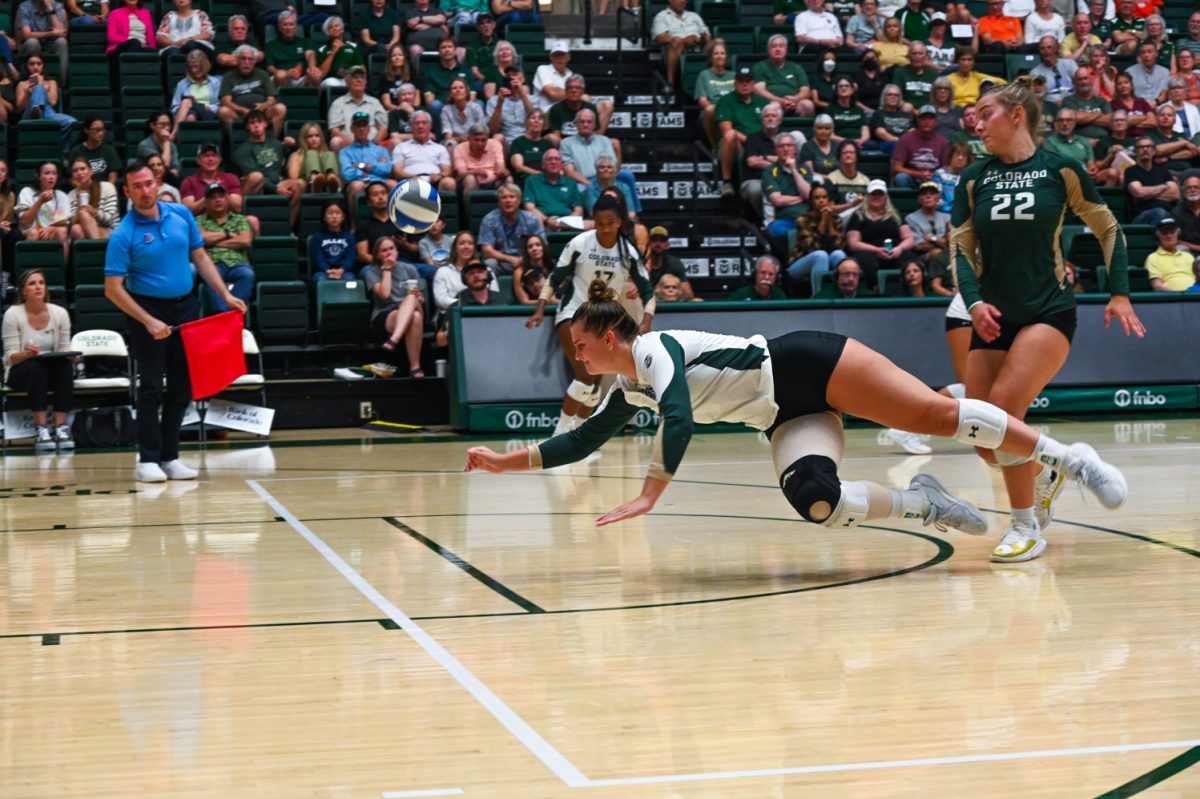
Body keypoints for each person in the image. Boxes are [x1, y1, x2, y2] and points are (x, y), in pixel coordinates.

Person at [465, 279, 1131, 544]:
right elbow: (580, 441)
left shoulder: (656, 350)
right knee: (816, 499)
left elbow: (682, 417)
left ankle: (1067, 458)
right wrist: (505, 461)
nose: (577, 357)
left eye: (581, 345)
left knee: (933, 414)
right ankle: (925, 502)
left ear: (609, 335)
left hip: (808, 364)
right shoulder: (625, 387)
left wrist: (648, 494)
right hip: (784, 416)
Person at [949, 77, 1144, 562]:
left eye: (986, 112)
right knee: (982, 438)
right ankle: (1049, 473)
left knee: (1002, 415)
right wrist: (973, 303)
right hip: (991, 315)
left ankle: (1025, 526)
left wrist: (1119, 291)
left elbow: (1108, 226)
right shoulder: (974, 177)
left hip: (1048, 311)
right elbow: (960, 248)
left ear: (1018, 115)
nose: (977, 121)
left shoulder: (1061, 169)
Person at [105, 162, 247, 482]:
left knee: (183, 386)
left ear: (156, 182)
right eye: (136, 187)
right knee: (152, 386)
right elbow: (112, 289)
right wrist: (148, 321)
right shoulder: (123, 234)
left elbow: (199, 256)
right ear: (127, 191)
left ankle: (170, 457)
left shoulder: (182, 215)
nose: (144, 191)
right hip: (147, 311)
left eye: (147, 183)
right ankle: (147, 460)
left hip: (187, 309)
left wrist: (224, 294)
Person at [525, 194, 652, 435]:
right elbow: (555, 277)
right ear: (593, 221)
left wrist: (647, 320)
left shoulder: (628, 251)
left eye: (610, 223)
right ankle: (560, 435)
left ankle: (580, 436)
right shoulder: (579, 243)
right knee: (584, 376)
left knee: (593, 382)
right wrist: (540, 308)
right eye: (600, 223)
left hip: (602, 321)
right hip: (572, 313)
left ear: (619, 222)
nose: (604, 228)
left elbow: (648, 290)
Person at [2, 269, 73, 449]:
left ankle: (60, 427)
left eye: (41, 283)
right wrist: (27, 354)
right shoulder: (12, 314)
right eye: (32, 284)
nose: (38, 287)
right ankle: (41, 429)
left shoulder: (60, 313)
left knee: (65, 366)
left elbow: (64, 349)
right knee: (36, 367)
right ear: (23, 291)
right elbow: (10, 357)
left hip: (51, 371)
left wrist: (72, 356)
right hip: (20, 372)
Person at [363, 236, 426, 375]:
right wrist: (386, 270)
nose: (389, 253)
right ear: (378, 255)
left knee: (412, 297)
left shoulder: (409, 268)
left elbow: (421, 299)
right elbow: (385, 295)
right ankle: (415, 367)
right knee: (415, 317)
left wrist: (418, 296)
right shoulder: (372, 272)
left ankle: (393, 340)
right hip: (386, 313)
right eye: (384, 250)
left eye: (391, 248)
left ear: (397, 251)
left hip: (411, 306)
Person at [234, 108, 304, 223]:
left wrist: (293, 145)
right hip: (257, 187)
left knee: (300, 184)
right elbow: (252, 176)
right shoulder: (241, 151)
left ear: (265, 124)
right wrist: (276, 189)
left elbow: (292, 156)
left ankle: (287, 227)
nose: (256, 126)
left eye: (259, 122)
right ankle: (245, 223)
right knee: (256, 176)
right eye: (252, 123)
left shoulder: (276, 144)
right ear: (247, 127)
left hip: (278, 182)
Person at [845, 179, 917, 288]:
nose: (876, 197)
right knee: (865, 260)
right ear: (867, 197)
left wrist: (899, 249)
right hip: (869, 252)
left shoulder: (895, 215)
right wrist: (876, 250)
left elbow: (909, 239)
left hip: (895, 251)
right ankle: (875, 289)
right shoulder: (858, 216)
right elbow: (853, 243)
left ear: (885, 197)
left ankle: (903, 290)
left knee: (910, 259)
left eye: (880, 194)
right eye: (873, 194)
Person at [195, 183, 253, 313]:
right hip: (213, 264)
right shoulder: (199, 220)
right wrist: (227, 234)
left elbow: (245, 241)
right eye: (213, 197)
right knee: (211, 274)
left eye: (221, 196)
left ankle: (226, 313)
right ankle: (229, 314)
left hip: (238, 263)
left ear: (227, 199)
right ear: (206, 202)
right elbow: (200, 239)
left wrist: (213, 242)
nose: (218, 200)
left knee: (247, 274)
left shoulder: (239, 219)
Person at [716, 66, 770, 199]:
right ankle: (727, 182)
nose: (745, 84)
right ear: (735, 83)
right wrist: (751, 143)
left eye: (748, 80)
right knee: (729, 135)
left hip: (762, 144)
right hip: (739, 144)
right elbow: (726, 129)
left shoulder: (763, 102)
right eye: (741, 81)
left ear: (753, 83)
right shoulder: (726, 101)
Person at [219, 45, 288, 138]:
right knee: (223, 111)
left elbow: (272, 99)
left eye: (250, 59)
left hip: (262, 114)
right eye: (243, 59)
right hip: (239, 115)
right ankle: (236, 143)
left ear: (255, 61)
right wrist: (242, 110)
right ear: (237, 60)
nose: (247, 62)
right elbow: (225, 102)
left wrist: (264, 106)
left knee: (280, 108)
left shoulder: (262, 74)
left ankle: (271, 142)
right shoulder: (228, 76)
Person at [478, 181, 545, 275]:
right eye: (504, 197)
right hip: (500, 261)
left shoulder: (531, 219)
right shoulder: (489, 219)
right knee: (489, 264)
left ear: (519, 201)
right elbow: (487, 250)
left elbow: (543, 244)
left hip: (526, 259)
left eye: (512, 197)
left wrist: (523, 259)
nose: (508, 200)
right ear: (499, 201)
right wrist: (510, 259)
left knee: (540, 260)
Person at [391, 110, 456, 195]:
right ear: (411, 126)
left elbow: (447, 171)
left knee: (449, 182)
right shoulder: (401, 147)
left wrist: (440, 176)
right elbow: (397, 171)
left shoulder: (440, 148)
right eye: (417, 123)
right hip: (410, 181)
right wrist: (413, 177)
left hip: (435, 181)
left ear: (430, 126)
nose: (420, 126)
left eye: (424, 123)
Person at [650, 0, 711, 89]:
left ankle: (718, 80)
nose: (683, 1)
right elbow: (659, 37)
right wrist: (684, 40)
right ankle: (670, 83)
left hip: (699, 49)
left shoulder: (694, 16)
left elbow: (706, 34)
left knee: (718, 42)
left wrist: (701, 38)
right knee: (677, 42)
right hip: (677, 52)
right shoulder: (662, 16)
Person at [327, 64, 388, 151]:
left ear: (366, 82)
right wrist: (354, 145)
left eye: (362, 77)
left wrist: (372, 145)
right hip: (348, 147)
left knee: (395, 142)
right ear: (347, 81)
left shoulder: (375, 102)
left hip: (373, 146)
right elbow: (334, 131)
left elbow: (383, 128)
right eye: (355, 77)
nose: (359, 80)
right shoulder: (338, 103)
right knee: (335, 141)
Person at [753, 34, 816, 117]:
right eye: (774, 46)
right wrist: (780, 101)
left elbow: (805, 90)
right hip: (771, 101)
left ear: (786, 49)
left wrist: (795, 99)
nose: (778, 49)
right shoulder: (760, 66)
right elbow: (759, 90)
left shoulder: (796, 68)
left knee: (807, 105)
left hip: (794, 102)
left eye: (781, 46)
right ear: (768, 50)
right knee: (774, 107)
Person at [16, 161, 70, 256]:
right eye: (47, 173)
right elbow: (24, 222)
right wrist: (40, 201)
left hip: (52, 231)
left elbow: (65, 222)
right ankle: (30, 269)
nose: (51, 177)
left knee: (62, 231)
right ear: (38, 176)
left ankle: (62, 270)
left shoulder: (62, 196)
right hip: (31, 231)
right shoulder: (27, 192)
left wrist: (51, 228)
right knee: (34, 233)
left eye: (54, 173)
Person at [432, 239, 500, 314]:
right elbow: (440, 300)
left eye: (480, 272)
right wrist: (468, 304)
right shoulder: (460, 299)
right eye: (471, 273)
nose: (476, 275)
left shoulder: (499, 299)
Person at [521, 147, 580, 230]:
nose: (553, 162)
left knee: (591, 224)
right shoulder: (532, 181)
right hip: (542, 221)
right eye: (549, 159)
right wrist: (547, 220)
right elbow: (529, 207)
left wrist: (566, 223)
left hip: (567, 222)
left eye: (557, 159)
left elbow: (578, 210)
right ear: (543, 164)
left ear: (562, 164)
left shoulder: (571, 183)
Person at [1124, 135, 1178, 225]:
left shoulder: (1163, 171)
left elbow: (1175, 194)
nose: (1145, 149)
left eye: (1148, 147)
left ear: (1154, 151)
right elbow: (1139, 193)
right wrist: (1164, 187)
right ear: (1136, 151)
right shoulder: (1131, 171)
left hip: (1167, 213)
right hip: (1141, 216)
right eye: (1141, 147)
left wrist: (1146, 195)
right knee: (1159, 212)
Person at [339, 112, 394, 198]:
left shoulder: (381, 150)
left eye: (364, 125)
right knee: (357, 186)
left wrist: (363, 166)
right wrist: (375, 168)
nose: (361, 129)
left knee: (393, 184)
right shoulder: (345, 151)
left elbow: (388, 169)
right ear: (352, 129)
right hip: (360, 182)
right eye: (358, 126)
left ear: (368, 128)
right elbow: (347, 174)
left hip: (379, 181)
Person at [891, 105, 948, 188]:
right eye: (923, 118)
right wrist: (919, 174)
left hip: (934, 179)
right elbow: (896, 167)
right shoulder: (905, 139)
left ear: (936, 122)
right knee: (901, 178)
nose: (927, 121)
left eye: (930, 118)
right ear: (918, 121)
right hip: (912, 178)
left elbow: (945, 168)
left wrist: (933, 176)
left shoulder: (942, 141)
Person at [180, 142, 244, 216]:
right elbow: (188, 211)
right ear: (198, 160)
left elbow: (237, 208)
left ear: (219, 160)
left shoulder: (231, 178)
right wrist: (210, 192)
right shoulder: (189, 182)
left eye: (214, 155)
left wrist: (221, 190)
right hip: (200, 222)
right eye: (206, 156)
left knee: (252, 220)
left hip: (228, 220)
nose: (210, 159)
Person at [67, 157, 118, 242]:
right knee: (76, 229)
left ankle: (95, 249)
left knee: (83, 213)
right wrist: (78, 211)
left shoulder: (107, 187)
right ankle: (92, 251)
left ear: (91, 171)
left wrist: (94, 212)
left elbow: (110, 221)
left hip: (111, 231)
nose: (79, 173)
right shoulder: (71, 194)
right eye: (75, 171)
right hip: (85, 231)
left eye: (82, 169)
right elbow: (70, 224)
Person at [265, 10, 320, 89]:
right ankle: (281, 101)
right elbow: (270, 68)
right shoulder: (271, 45)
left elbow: (310, 55)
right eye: (285, 24)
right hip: (281, 77)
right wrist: (286, 73)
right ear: (279, 27)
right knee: (281, 75)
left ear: (296, 26)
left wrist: (312, 68)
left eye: (291, 24)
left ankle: (312, 101)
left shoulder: (305, 42)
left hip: (301, 78)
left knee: (315, 75)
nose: (288, 28)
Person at [695, 40, 733, 147]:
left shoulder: (734, 75)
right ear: (711, 57)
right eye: (716, 54)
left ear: (726, 57)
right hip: (713, 110)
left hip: (732, 109)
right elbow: (702, 100)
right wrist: (719, 110)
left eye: (722, 53)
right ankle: (715, 147)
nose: (719, 56)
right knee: (709, 110)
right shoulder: (704, 75)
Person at [643, 225, 696, 300]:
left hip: (668, 305)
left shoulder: (674, 263)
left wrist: (674, 296)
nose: (658, 243)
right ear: (648, 244)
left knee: (696, 301)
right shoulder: (640, 264)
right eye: (654, 240)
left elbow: (689, 294)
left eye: (662, 240)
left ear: (667, 245)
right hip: (645, 305)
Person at [171, 50, 221, 128]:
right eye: (191, 67)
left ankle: (173, 135)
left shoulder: (215, 83)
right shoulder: (182, 84)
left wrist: (207, 107)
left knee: (187, 102)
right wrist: (184, 109)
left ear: (204, 66)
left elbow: (219, 105)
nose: (193, 70)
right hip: (188, 113)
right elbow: (174, 107)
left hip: (208, 114)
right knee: (190, 114)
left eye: (196, 66)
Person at [904, 180, 949, 267]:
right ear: (919, 199)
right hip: (923, 257)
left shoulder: (947, 217)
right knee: (937, 252)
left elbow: (951, 243)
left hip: (947, 253)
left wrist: (931, 239)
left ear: (938, 198)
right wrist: (942, 242)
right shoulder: (911, 218)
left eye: (932, 193)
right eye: (924, 194)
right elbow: (919, 246)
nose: (928, 196)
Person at [310, 200, 358, 281]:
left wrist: (341, 270)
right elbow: (319, 258)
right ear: (324, 217)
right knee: (320, 279)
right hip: (323, 271)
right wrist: (327, 270)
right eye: (330, 213)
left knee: (350, 279)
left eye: (337, 213)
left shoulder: (349, 237)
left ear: (343, 217)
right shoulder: (317, 237)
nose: (334, 216)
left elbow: (350, 257)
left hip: (344, 271)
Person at [287, 122, 340, 193]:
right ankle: (314, 179)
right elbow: (293, 177)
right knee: (311, 153)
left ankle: (331, 179)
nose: (314, 139)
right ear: (304, 139)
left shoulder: (328, 155)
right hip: (307, 186)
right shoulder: (296, 155)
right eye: (310, 136)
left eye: (317, 136)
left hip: (326, 185)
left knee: (329, 154)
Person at [1144, 217, 1194, 292]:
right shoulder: (1153, 258)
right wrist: (1180, 295)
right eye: (1165, 233)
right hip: (1171, 300)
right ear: (1158, 236)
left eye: (1172, 232)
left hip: (1195, 297)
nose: (1169, 236)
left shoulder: (1188, 256)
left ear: (1177, 234)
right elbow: (1157, 286)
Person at [18, 0, 69, 73]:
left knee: (62, 42)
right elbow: (27, 35)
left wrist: (51, 9)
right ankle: (32, 82)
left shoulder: (56, 5)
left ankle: (61, 83)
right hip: (33, 47)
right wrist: (51, 33)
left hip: (51, 45)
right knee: (32, 42)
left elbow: (62, 32)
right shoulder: (25, 6)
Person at [313, 16, 364, 89]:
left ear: (342, 29)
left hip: (349, 78)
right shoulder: (322, 49)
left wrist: (350, 73)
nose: (334, 28)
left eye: (336, 26)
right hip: (330, 79)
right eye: (330, 27)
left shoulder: (353, 47)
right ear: (327, 32)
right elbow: (322, 73)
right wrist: (333, 52)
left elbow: (362, 68)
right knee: (332, 83)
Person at [513, 232, 553, 304]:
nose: (534, 248)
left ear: (543, 248)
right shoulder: (519, 272)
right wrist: (548, 302)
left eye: (538, 245)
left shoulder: (553, 269)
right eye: (530, 247)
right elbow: (525, 301)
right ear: (527, 252)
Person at [137, 113, 179, 180]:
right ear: (152, 125)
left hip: (169, 180)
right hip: (149, 180)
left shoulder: (172, 146)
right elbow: (164, 166)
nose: (167, 128)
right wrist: (166, 141)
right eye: (162, 124)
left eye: (168, 124)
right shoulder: (144, 145)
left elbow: (176, 169)